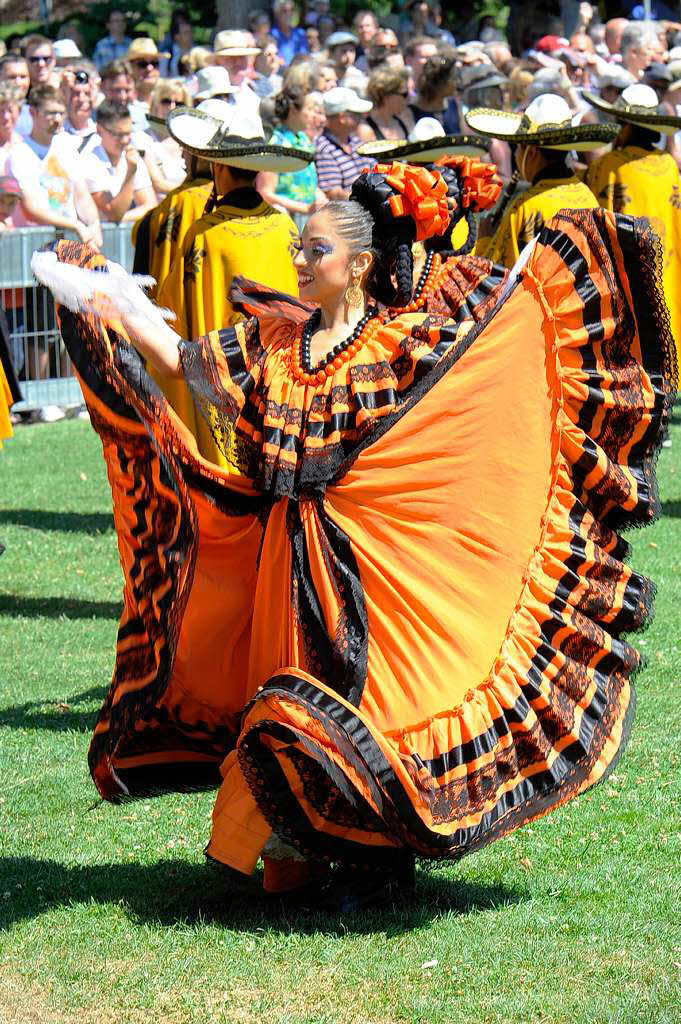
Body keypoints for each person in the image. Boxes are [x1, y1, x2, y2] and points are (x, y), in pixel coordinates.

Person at [42, 159, 675, 909]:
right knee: (286, 699)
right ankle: (300, 849)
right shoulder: (276, 343)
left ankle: (375, 858)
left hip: (371, 566)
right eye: (300, 249)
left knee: (372, 702)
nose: (300, 262)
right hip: (285, 560)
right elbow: (181, 359)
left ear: (360, 264)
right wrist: (101, 294)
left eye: (316, 250)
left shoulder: (397, 346)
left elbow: (472, 398)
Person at [154, 101, 307, 467]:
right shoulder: (284, 225)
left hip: (224, 374)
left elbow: (172, 309)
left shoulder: (206, 234)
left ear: (217, 164)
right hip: (281, 373)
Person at [584, 83, 681, 365]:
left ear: (625, 127)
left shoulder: (611, 165)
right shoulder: (669, 164)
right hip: (668, 265)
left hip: (629, 273)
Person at [466, 93, 614, 265]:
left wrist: (484, 238)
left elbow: (495, 278)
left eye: (519, 148)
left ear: (532, 152)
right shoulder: (587, 195)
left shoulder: (526, 207)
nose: (516, 155)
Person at [8, 85, 101, 245]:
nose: (57, 119)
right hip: (34, 244)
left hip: (68, 242)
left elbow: (81, 194)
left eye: (61, 113)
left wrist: (94, 225)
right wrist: (75, 225)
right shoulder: (20, 153)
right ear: (33, 113)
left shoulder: (67, 146)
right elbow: (31, 208)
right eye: (51, 113)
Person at [257, 83, 326, 228]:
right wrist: (304, 209)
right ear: (294, 110)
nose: (313, 115)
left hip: (308, 220)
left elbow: (309, 185)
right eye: (309, 109)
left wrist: (321, 199)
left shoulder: (303, 140)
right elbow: (265, 192)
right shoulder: (276, 144)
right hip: (286, 221)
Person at [81, 100, 156, 223]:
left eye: (128, 133)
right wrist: (131, 172)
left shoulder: (131, 157)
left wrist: (119, 220)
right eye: (118, 135)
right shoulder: (89, 162)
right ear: (99, 130)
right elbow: (113, 212)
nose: (126, 140)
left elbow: (151, 206)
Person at [315, 87, 373, 200]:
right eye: (357, 114)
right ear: (342, 117)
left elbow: (375, 170)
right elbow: (333, 193)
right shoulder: (324, 149)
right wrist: (369, 199)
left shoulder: (355, 142)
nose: (361, 117)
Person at [142, 80, 191, 197]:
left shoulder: (191, 139)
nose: (172, 107)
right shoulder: (142, 139)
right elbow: (159, 185)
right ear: (155, 104)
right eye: (166, 101)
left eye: (179, 103)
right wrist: (194, 188)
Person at [364, 66, 414, 141]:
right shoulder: (366, 129)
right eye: (405, 94)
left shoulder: (403, 121)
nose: (409, 98)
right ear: (386, 95)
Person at [127, 38, 168, 112]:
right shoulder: (122, 102)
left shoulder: (170, 100)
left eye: (154, 63)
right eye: (142, 64)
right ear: (130, 68)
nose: (149, 68)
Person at [270, 0, 309, 67]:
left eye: (291, 10)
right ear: (276, 14)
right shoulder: (271, 35)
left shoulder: (300, 33)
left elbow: (304, 56)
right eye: (284, 11)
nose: (289, 14)